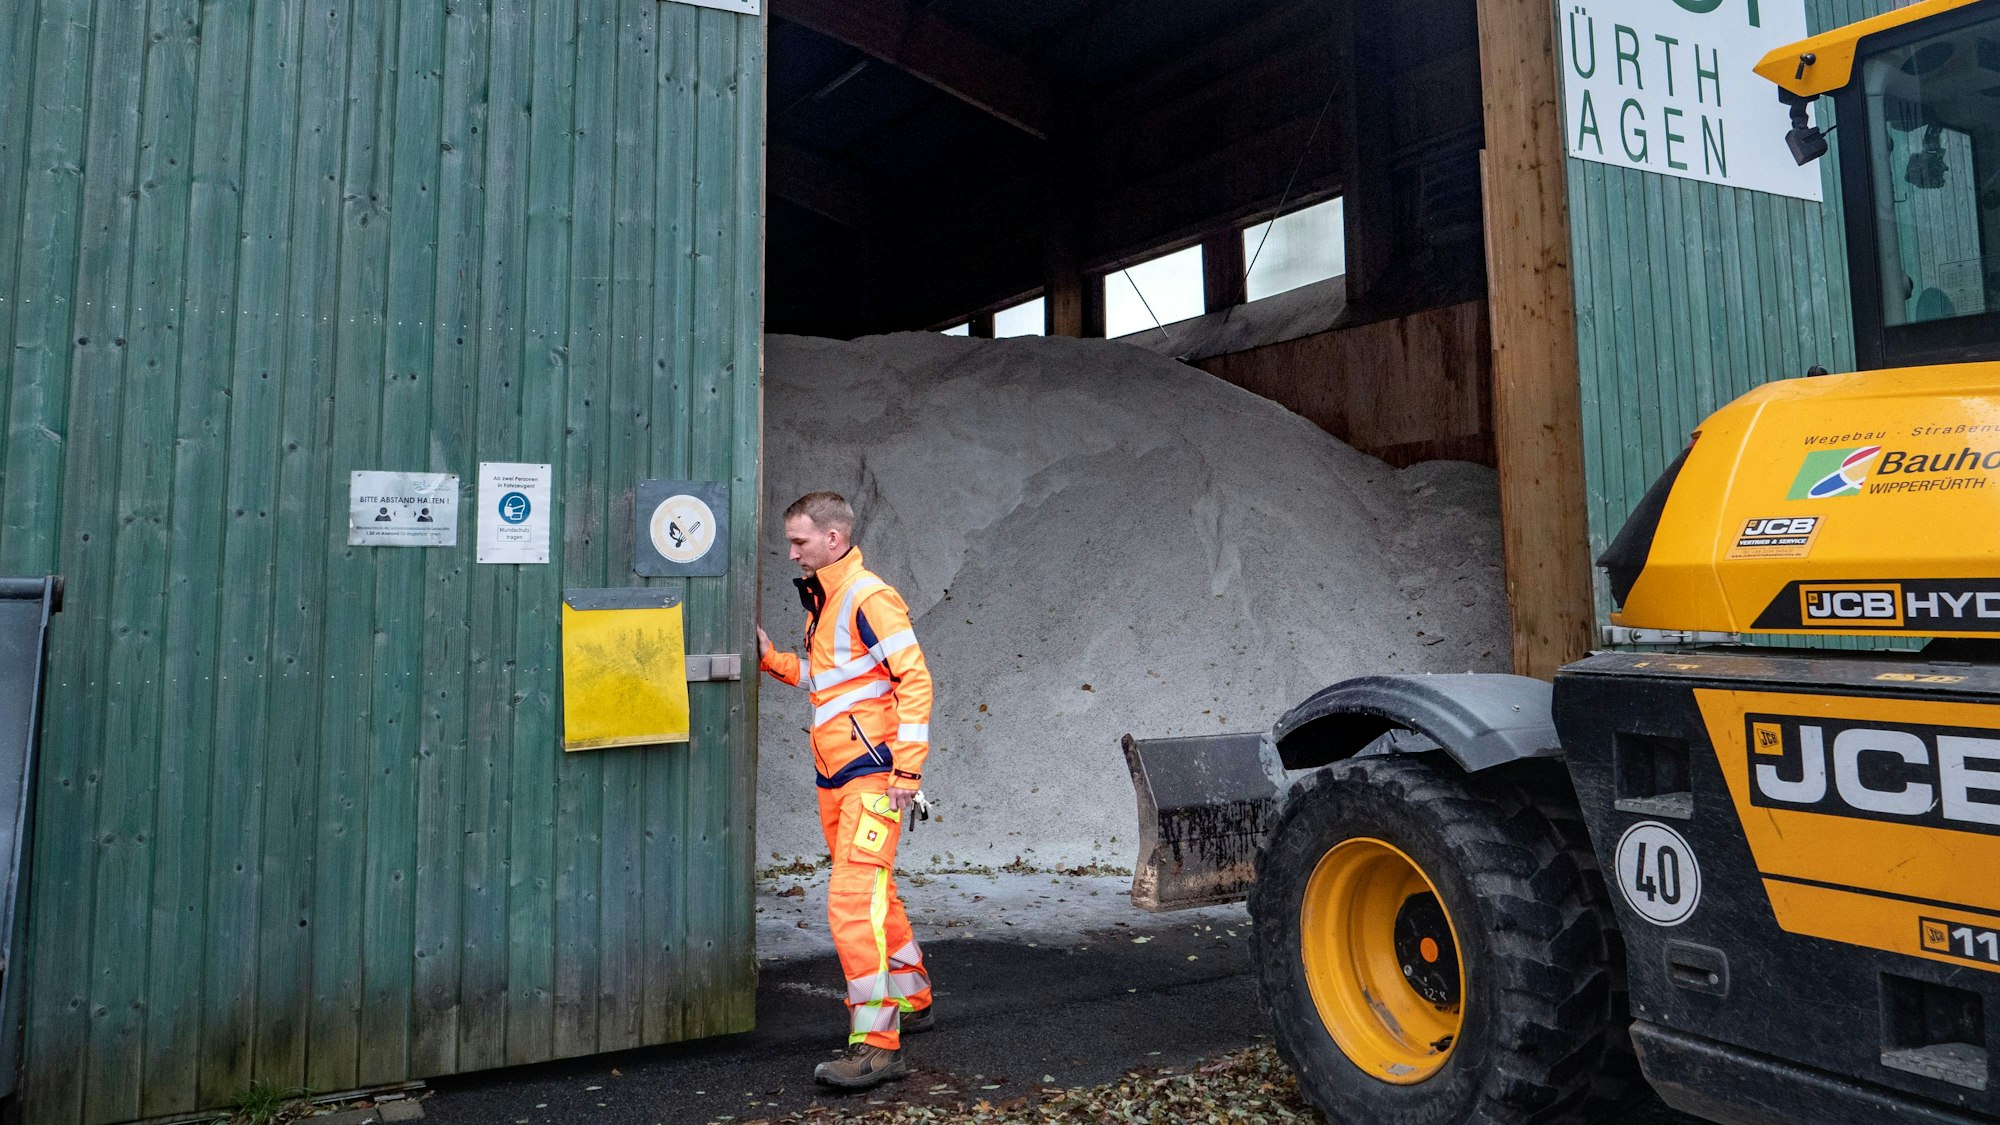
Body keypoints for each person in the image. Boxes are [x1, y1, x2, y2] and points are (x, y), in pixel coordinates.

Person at [757, 491, 936, 1089]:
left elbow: (915, 679)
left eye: (799, 541)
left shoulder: (867, 596)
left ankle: (878, 1046)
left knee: (852, 903)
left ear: (833, 539)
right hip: (836, 775)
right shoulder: (827, 599)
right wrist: (774, 661)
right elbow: (831, 678)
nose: (791, 553)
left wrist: (907, 772)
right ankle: (913, 999)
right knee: (873, 888)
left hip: (871, 775)